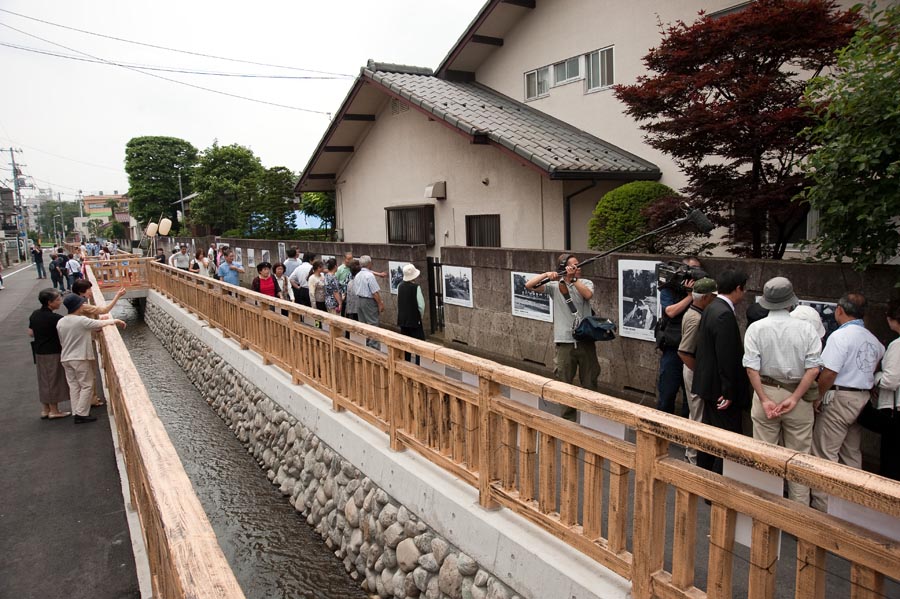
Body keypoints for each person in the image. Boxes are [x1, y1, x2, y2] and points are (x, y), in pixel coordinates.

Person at [743, 277, 823, 504]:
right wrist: (796, 397)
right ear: (790, 302)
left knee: (765, 457)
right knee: (799, 459)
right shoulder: (807, 329)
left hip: (765, 390)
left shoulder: (755, 329)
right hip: (797, 395)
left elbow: (751, 368)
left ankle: (766, 511)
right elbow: (813, 369)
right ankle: (798, 518)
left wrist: (764, 398)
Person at [810, 292, 885, 510]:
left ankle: (823, 507)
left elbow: (829, 372)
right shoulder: (874, 340)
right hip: (862, 398)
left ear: (840, 310)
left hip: (840, 397)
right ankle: (852, 505)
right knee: (851, 453)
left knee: (825, 452)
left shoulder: (839, 337)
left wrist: (818, 397)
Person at [525, 254, 600, 419]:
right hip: (564, 342)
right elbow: (529, 285)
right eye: (573, 265)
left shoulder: (585, 283)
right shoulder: (554, 286)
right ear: (564, 268)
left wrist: (573, 280)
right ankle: (568, 421)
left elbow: (587, 295)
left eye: (578, 265)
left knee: (590, 382)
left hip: (585, 341)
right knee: (564, 385)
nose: (577, 268)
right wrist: (547, 275)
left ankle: (592, 420)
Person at [693, 268, 750, 474]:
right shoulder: (724, 314)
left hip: (708, 383)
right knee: (726, 437)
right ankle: (716, 483)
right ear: (737, 288)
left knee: (709, 434)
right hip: (720, 389)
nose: (744, 295)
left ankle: (704, 475)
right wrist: (728, 391)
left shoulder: (712, 307)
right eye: (744, 290)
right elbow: (726, 357)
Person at [57, 294, 126, 423]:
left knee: (74, 385)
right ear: (78, 306)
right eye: (82, 304)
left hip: (66, 357)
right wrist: (115, 321)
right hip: (80, 357)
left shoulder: (61, 321)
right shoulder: (81, 320)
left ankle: (76, 411)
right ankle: (82, 414)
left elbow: (89, 328)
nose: (84, 305)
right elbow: (98, 323)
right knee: (86, 385)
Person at [858, 299, 900, 481]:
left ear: (892, 319)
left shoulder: (897, 345)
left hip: (895, 410)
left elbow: (890, 381)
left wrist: (875, 376)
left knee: (892, 462)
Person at [677, 277, 717, 465]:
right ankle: (693, 457)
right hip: (694, 370)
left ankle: (692, 454)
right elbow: (684, 352)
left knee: (696, 413)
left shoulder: (694, 312)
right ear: (706, 297)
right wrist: (700, 373)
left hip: (694, 369)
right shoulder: (695, 318)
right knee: (698, 415)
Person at [657, 257, 704, 416]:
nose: (691, 273)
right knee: (667, 392)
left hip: (692, 349)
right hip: (672, 347)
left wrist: (696, 293)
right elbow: (670, 311)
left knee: (690, 395)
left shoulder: (703, 290)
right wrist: (690, 296)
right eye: (688, 268)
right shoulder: (669, 287)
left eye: (695, 269)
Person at [28, 288, 71, 419]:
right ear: (49, 302)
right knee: (54, 379)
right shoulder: (55, 318)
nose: (60, 302)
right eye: (58, 299)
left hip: (39, 351)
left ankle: (45, 409)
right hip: (52, 351)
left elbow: (30, 333)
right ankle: (54, 410)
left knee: (44, 380)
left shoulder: (35, 314)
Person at [397, 264, 426, 364]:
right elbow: (421, 305)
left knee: (406, 344)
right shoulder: (416, 287)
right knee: (419, 344)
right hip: (414, 320)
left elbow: (399, 302)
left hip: (402, 320)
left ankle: (407, 363)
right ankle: (418, 365)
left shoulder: (399, 286)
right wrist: (420, 317)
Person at [355, 255, 385, 349]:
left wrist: (379, 274)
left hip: (359, 300)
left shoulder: (358, 274)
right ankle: (374, 346)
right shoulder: (369, 276)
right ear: (369, 264)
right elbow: (374, 292)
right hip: (368, 301)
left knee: (363, 323)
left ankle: (365, 344)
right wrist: (380, 303)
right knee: (373, 323)